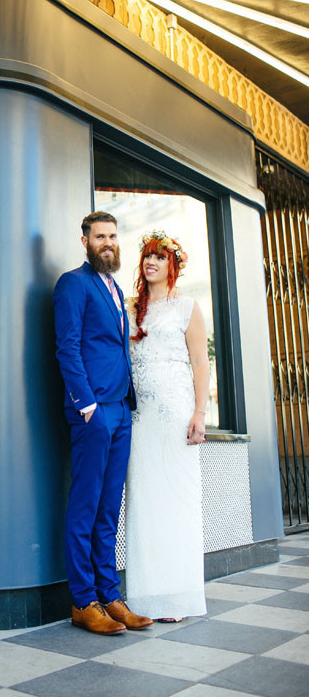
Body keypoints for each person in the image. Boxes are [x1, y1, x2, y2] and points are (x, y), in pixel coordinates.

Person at [53, 211, 153, 635]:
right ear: (85, 242)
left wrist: (123, 405)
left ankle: (110, 596)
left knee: (109, 508)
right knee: (85, 507)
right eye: (100, 237)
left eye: (112, 236)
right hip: (92, 412)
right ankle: (83, 601)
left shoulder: (113, 287)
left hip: (121, 410)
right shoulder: (73, 283)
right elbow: (67, 346)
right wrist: (87, 405)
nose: (108, 243)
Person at [125, 230, 208, 622]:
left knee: (177, 500)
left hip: (176, 415)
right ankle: (145, 596)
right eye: (147, 256)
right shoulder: (130, 309)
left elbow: (201, 364)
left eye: (160, 257)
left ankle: (177, 596)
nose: (151, 262)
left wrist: (200, 414)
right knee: (144, 502)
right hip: (139, 419)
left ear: (173, 265)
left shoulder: (188, 307)